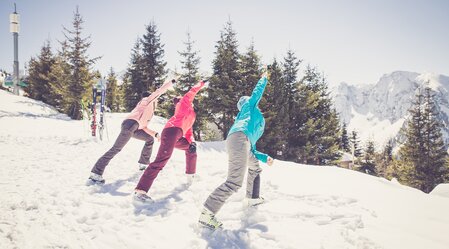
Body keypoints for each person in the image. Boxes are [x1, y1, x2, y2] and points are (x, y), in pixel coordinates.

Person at [199, 70, 274, 229]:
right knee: (234, 182)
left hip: (242, 141)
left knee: (254, 167)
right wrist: (264, 79)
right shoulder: (249, 106)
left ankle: (252, 198)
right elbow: (256, 94)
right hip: (239, 139)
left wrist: (265, 157)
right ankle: (207, 213)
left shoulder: (249, 118)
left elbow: (251, 149)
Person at [88, 78, 175, 184]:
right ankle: (96, 173)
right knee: (116, 149)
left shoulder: (146, 110)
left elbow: (143, 127)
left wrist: (155, 134)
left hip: (134, 127)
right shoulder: (147, 101)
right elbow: (159, 91)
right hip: (130, 125)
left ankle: (143, 163)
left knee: (149, 139)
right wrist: (171, 83)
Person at [133, 80, 207, 202]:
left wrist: (192, 142)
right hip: (171, 132)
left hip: (178, 135)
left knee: (190, 148)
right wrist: (201, 83)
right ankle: (140, 191)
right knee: (161, 160)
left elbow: (189, 131)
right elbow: (192, 91)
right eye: (181, 99)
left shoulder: (191, 114)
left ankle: (190, 175)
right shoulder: (184, 104)